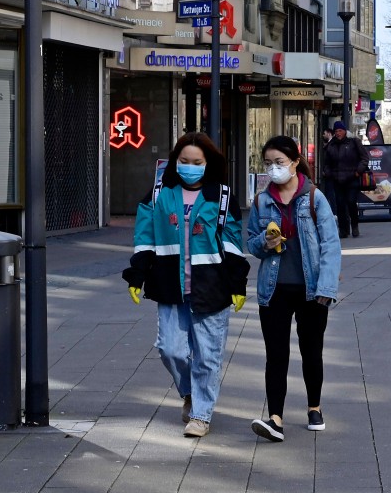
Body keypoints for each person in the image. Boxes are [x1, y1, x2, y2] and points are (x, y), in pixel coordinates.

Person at [122, 132, 250, 439]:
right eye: (184, 161)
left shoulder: (221, 196)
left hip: (212, 288)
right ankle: (190, 392)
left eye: (196, 162)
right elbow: (145, 236)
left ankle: (201, 416)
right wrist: (137, 275)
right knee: (170, 349)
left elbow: (232, 243)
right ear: (175, 160)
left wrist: (238, 284)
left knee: (207, 355)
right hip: (170, 287)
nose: (189, 166)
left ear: (208, 164)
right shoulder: (158, 194)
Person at [246, 136, 341, 442]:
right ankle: (275, 418)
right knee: (276, 355)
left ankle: (314, 407)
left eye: (279, 162)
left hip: (312, 290)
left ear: (295, 162)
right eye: (268, 163)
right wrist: (265, 242)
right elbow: (249, 243)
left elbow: (331, 245)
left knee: (311, 351)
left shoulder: (313, 197)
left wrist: (327, 286)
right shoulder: (262, 201)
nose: (274, 169)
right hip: (273, 290)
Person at [320, 121, 367, 238]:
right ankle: (343, 229)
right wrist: (329, 173)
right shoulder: (331, 146)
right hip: (337, 179)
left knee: (351, 202)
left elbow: (364, 158)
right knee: (340, 205)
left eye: (340, 131)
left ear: (345, 131)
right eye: (336, 131)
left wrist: (358, 171)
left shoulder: (354, 142)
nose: (338, 133)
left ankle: (354, 225)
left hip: (352, 178)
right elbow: (326, 163)